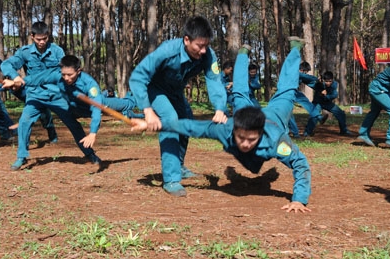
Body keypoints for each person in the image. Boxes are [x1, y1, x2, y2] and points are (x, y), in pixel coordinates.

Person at [131, 37, 312, 213]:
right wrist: (152, 124)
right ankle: (242, 55)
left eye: (252, 140)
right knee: (239, 94)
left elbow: (300, 164)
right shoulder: (226, 129)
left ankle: (295, 49)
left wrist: (298, 199)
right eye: (241, 138)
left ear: (260, 135)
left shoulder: (276, 141)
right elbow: (190, 127)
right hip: (247, 114)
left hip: (275, 116)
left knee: (287, 91)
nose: (245, 144)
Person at [129, 15, 227, 197]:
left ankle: (179, 166)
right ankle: (171, 179)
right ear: (186, 40)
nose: (204, 50)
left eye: (206, 45)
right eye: (200, 46)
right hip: (155, 90)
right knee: (171, 120)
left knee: (186, 122)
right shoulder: (167, 51)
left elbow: (214, 80)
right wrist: (148, 111)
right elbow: (137, 77)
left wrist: (220, 108)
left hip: (175, 91)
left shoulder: (208, 55)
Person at [1, 21, 101, 170]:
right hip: (35, 95)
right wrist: (15, 77)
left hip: (56, 95)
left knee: (73, 124)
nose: (41, 42)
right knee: (24, 122)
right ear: (32, 36)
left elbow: (57, 73)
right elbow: (6, 65)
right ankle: (21, 157)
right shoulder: (25, 52)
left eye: (45, 39)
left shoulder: (57, 51)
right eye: (38, 39)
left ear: (48, 36)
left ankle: (89, 154)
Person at [304, 71, 352, 136]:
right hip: (318, 102)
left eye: (330, 81)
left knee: (341, 113)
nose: (328, 83)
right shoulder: (318, 84)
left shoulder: (334, 85)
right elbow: (309, 82)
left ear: (332, 80)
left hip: (327, 102)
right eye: (326, 81)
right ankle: (308, 132)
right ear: (323, 80)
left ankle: (344, 130)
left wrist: (326, 96)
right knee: (314, 115)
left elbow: (334, 95)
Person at [288, 61, 321, 138]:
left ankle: (319, 116)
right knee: (289, 113)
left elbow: (308, 81)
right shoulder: (296, 72)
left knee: (306, 101)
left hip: (294, 92)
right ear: (302, 69)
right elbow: (307, 77)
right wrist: (316, 78)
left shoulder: (301, 75)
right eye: (306, 72)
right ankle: (295, 134)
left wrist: (319, 87)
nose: (306, 73)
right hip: (286, 93)